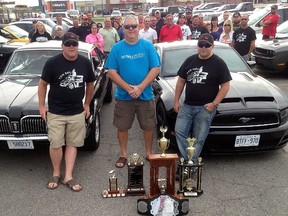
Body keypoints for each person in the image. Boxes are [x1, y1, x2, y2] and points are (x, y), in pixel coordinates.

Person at [38, 32, 96, 191]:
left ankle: (68, 176)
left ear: (78, 45)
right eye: (68, 44)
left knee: (72, 144)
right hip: (56, 112)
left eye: (74, 44)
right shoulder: (52, 63)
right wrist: (42, 106)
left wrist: (87, 104)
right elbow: (42, 84)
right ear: (62, 45)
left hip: (77, 111)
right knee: (55, 143)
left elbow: (90, 83)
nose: (71, 47)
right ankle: (56, 173)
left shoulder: (85, 62)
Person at [105, 15, 160, 168]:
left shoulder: (147, 46)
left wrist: (141, 87)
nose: (131, 29)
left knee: (148, 126)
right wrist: (129, 89)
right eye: (127, 26)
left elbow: (155, 68)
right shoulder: (117, 48)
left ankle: (148, 152)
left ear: (138, 27)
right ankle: (123, 154)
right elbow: (112, 72)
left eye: (133, 26)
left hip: (145, 94)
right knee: (122, 127)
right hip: (124, 96)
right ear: (123, 28)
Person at [174, 33, 231, 163]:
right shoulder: (190, 60)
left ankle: (190, 165)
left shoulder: (219, 63)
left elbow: (225, 86)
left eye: (207, 45)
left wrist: (214, 104)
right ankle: (190, 160)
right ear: (197, 46)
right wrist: (176, 100)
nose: (203, 48)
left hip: (206, 108)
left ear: (212, 46)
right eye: (201, 45)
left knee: (199, 137)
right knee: (179, 131)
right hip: (187, 105)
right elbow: (181, 81)